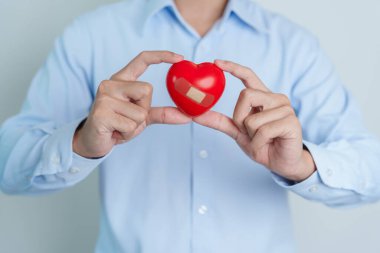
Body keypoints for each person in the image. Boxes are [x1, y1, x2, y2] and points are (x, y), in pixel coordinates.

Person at [1, 0, 380, 252]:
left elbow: (372, 170)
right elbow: (7, 165)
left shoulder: (293, 45)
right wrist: (80, 141)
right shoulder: (90, 35)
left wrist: (300, 164)